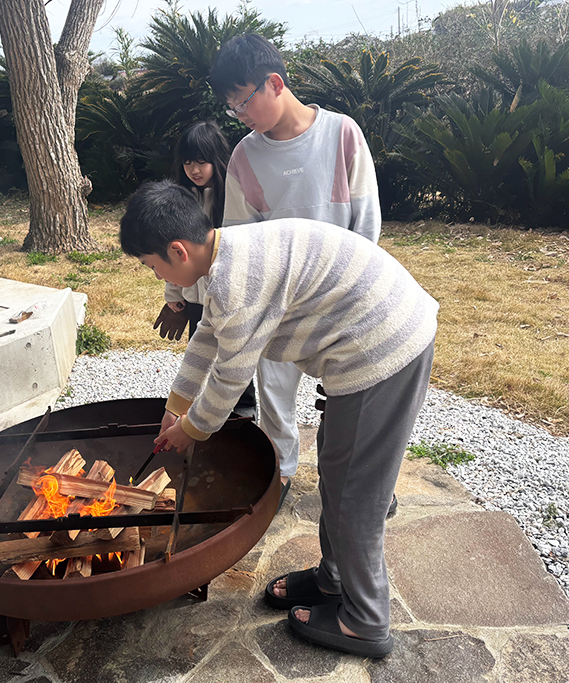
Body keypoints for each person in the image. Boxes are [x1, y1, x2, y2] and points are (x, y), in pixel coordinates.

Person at [119, 180, 437, 658]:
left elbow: (230, 376)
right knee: (336, 473)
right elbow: (207, 336)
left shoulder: (236, 283)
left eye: (151, 265)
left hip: (381, 348)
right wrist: (176, 406)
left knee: (356, 495)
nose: (153, 274)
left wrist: (191, 431)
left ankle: (366, 622)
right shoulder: (219, 256)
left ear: (178, 250)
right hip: (366, 344)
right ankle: (334, 579)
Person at [209, 34, 382, 507]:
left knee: (349, 401)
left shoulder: (342, 133)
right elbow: (241, 241)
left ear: (275, 83)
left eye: (242, 103)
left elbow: (366, 223)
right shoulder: (244, 157)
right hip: (279, 303)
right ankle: (281, 473)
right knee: (275, 395)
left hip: (343, 300)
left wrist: (357, 299)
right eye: (232, 109)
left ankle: (364, 482)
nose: (240, 116)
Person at [153, 121, 256, 418]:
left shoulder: (234, 197)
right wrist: (174, 295)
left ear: (217, 159)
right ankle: (203, 416)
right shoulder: (178, 201)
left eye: (201, 161)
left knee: (235, 357)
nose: (194, 170)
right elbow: (171, 253)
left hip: (230, 297)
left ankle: (244, 414)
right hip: (196, 299)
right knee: (199, 358)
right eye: (187, 162)